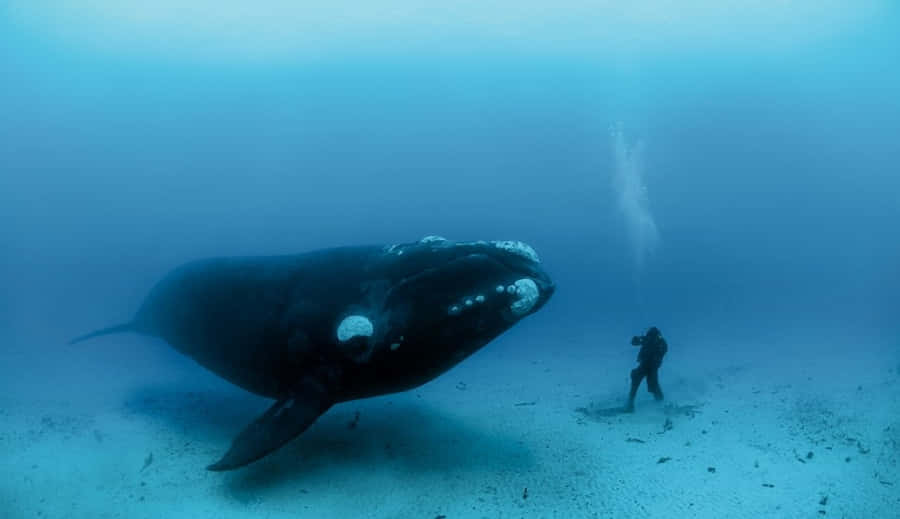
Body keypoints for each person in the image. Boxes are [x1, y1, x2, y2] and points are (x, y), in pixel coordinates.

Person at [624, 326, 667, 412]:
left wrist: (657, 356)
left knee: (653, 385)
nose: (651, 337)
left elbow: (664, 349)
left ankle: (660, 401)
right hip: (645, 364)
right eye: (650, 335)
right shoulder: (647, 339)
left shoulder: (660, 342)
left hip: (652, 366)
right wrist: (636, 339)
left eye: (653, 335)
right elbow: (634, 342)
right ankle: (630, 403)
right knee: (636, 378)